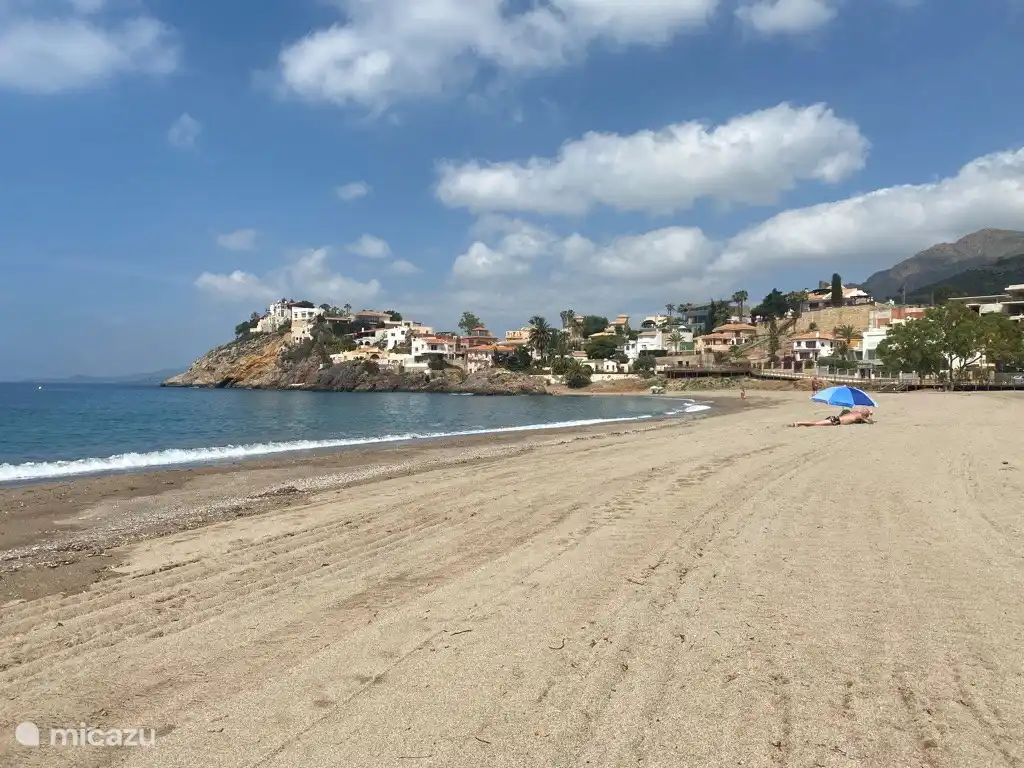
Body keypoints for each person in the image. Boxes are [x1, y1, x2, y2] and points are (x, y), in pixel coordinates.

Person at [791, 406, 874, 427]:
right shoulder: (860, 416)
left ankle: (800, 423)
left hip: (835, 418)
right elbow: (870, 422)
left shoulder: (855, 412)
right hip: (836, 421)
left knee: (817, 422)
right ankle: (799, 423)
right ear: (865, 415)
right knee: (816, 423)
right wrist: (870, 414)